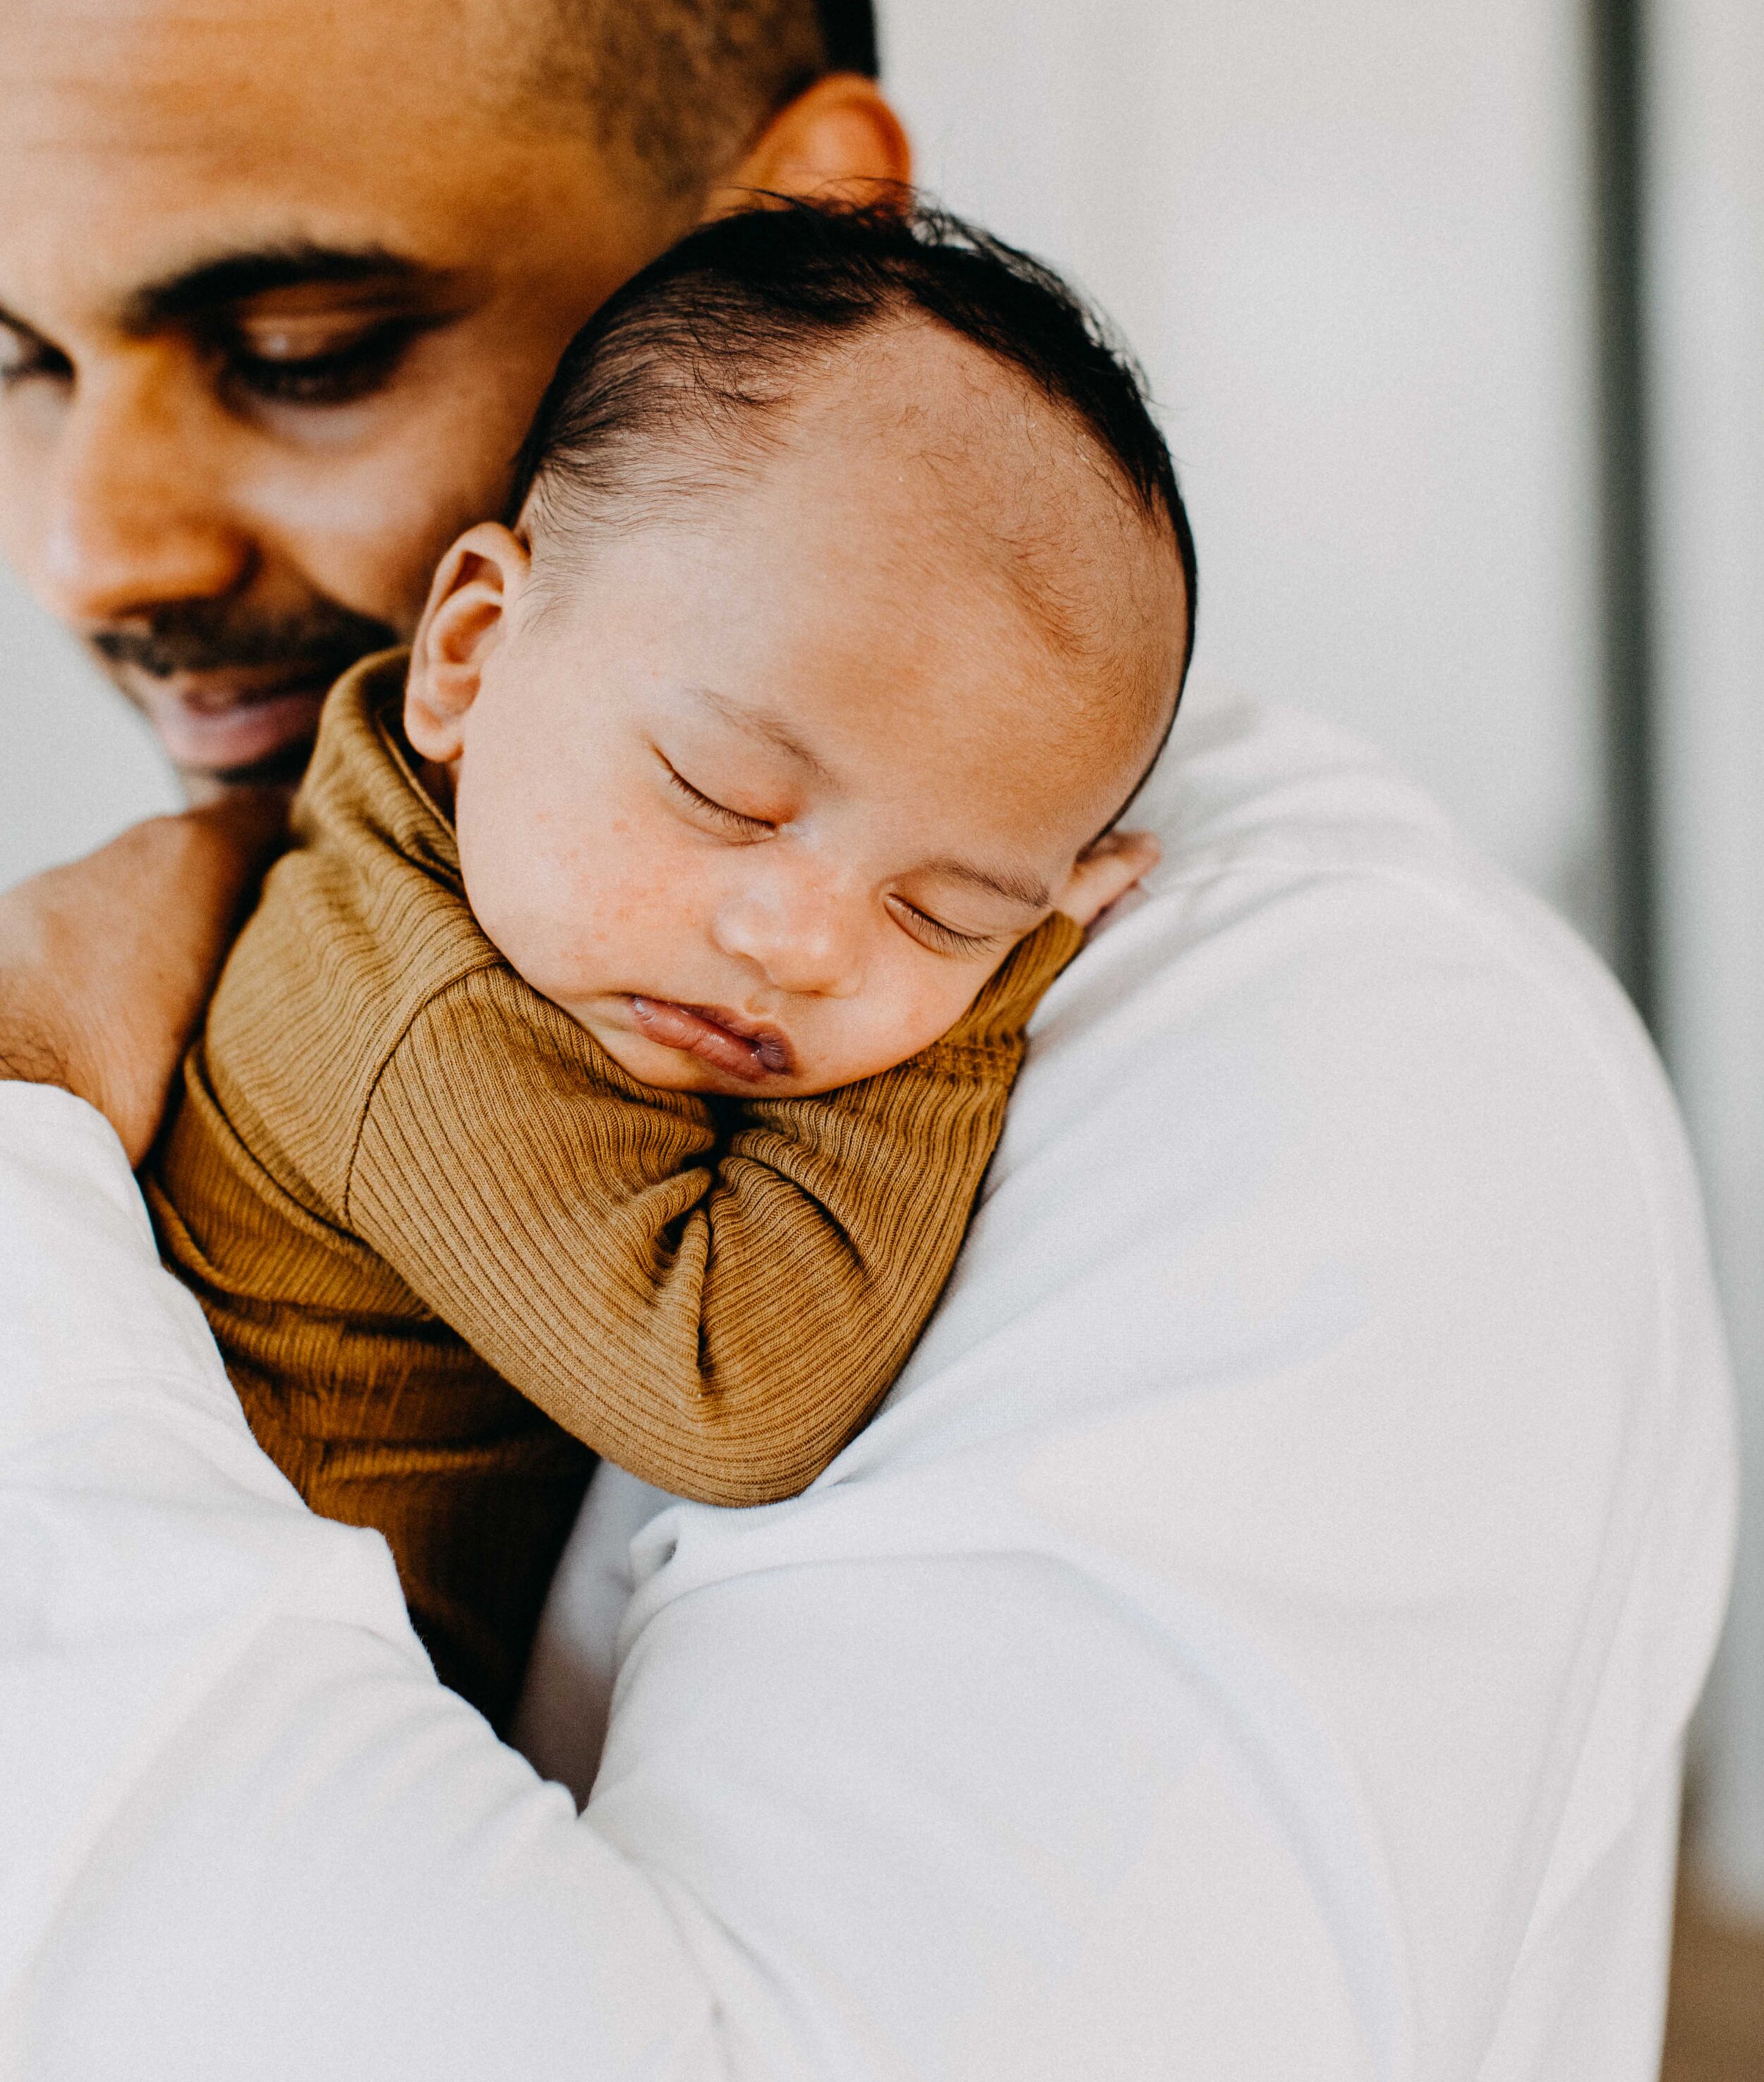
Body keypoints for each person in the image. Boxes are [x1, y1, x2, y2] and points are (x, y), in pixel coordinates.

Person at [0, 0, 1736, 2080]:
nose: (96, 549)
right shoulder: (355, 924)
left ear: (786, 227)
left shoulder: (1319, 1063)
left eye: (308, 344)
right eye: (16, 368)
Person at [144, 200, 1188, 1727]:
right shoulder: (412, 1016)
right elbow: (730, 1394)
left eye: (947, 913)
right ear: (471, 652)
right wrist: (991, 1000)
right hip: (222, 1735)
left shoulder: (541, 908)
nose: (802, 943)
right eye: (722, 794)